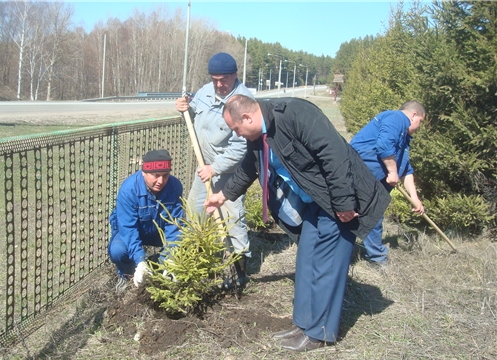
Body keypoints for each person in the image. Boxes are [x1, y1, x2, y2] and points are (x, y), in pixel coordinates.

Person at [203, 95, 390, 351]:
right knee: (307, 258)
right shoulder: (258, 136)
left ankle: (320, 333)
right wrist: (222, 196)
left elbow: (334, 153)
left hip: (338, 200)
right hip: (314, 201)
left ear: (247, 117)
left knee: (327, 265)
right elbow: (249, 168)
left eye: (237, 129)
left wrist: (345, 201)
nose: (238, 135)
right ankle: (303, 324)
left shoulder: (295, 114)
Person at [175, 52, 255, 290]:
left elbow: (241, 146)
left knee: (232, 219)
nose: (219, 85)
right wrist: (184, 109)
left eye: (224, 79)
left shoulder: (244, 101)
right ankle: (196, 261)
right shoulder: (204, 92)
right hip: (205, 169)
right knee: (195, 211)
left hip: (229, 172)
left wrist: (216, 168)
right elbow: (195, 120)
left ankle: (239, 270)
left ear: (235, 75)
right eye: (215, 79)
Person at [350, 100, 426, 266]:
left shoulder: (404, 138)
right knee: (361, 214)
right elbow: (384, 145)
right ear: (414, 115)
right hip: (362, 173)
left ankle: (373, 257)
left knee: (370, 216)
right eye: (420, 121)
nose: (419, 127)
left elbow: (406, 170)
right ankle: (376, 258)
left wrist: (415, 198)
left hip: (375, 181)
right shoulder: (396, 118)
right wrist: (392, 172)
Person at [108, 149, 184, 293]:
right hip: (133, 232)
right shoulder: (129, 190)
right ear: (144, 172)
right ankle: (128, 275)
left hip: (158, 232)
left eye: (165, 175)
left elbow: (174, 225)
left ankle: (158, 266)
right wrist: (140, 261)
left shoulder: (175, 187)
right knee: (118, 250)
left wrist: (171, 257)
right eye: (156, 176)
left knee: (186, 242)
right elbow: (128, 229)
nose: (161, 181)